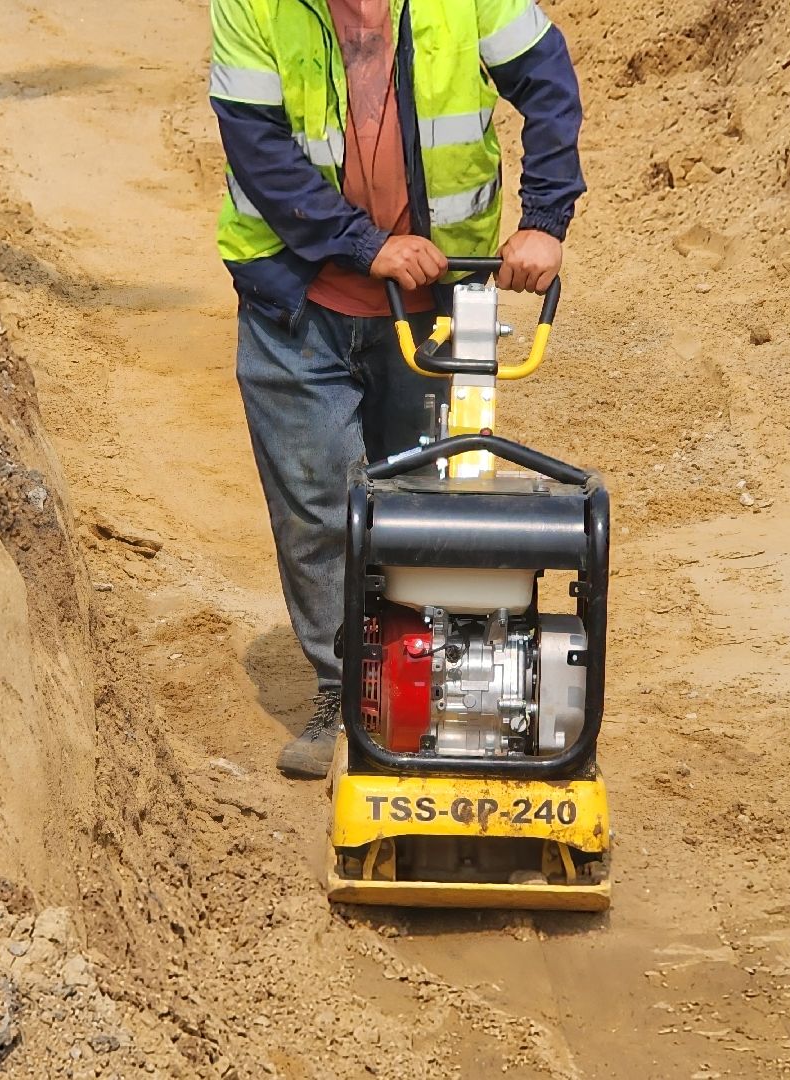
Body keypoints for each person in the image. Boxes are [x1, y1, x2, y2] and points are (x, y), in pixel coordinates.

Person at [209, 0, 584, 778]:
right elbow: (257, 146)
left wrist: (545, 218)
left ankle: (437, 690)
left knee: (426, 507)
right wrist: (364, 245)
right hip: (298, 297)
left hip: (441, 302)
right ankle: (343, 692)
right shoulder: (252, 5)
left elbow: (545, 77)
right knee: (318, 506)